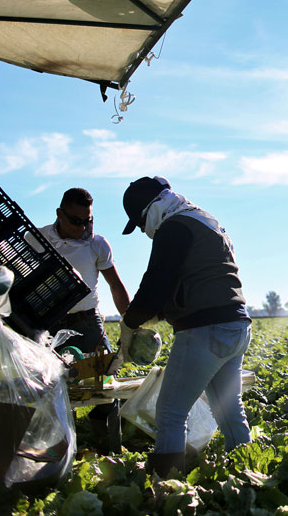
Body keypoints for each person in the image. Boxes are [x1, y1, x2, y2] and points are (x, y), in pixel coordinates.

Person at [118, 176, 252, 477]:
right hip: (236, 325)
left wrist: (128, 325)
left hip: (206, 330)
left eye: (139, 224)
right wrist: (155, 314)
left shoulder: (174, 227)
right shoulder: (204, 220)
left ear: (149, 211)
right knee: (229, 411)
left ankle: (167, 488)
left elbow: (155, 286)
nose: (142, 231)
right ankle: (248, 477)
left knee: (171, 413)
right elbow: (188, 283)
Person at [38, 187, 130, 352]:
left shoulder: (97, 244)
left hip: (87, 323)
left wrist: (131, 325)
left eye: (87, 221)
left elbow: (115, 284)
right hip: (49, 326)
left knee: (104, 373)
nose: (82, 228)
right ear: (60, 214)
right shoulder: (38, 238)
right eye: (75, 221)